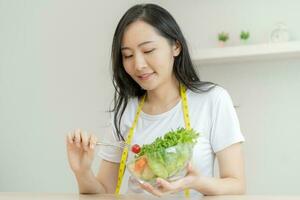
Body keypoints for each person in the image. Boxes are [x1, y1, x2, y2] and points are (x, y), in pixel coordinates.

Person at [66, 3, 246, 197]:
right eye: (127, 55)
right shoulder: (127, 110)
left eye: (148, 50)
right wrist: (82, 171)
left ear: (175, 46)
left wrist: (197, 183)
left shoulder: (212, 100)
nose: (138, 65)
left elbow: (236, 185)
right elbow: (103, 193)